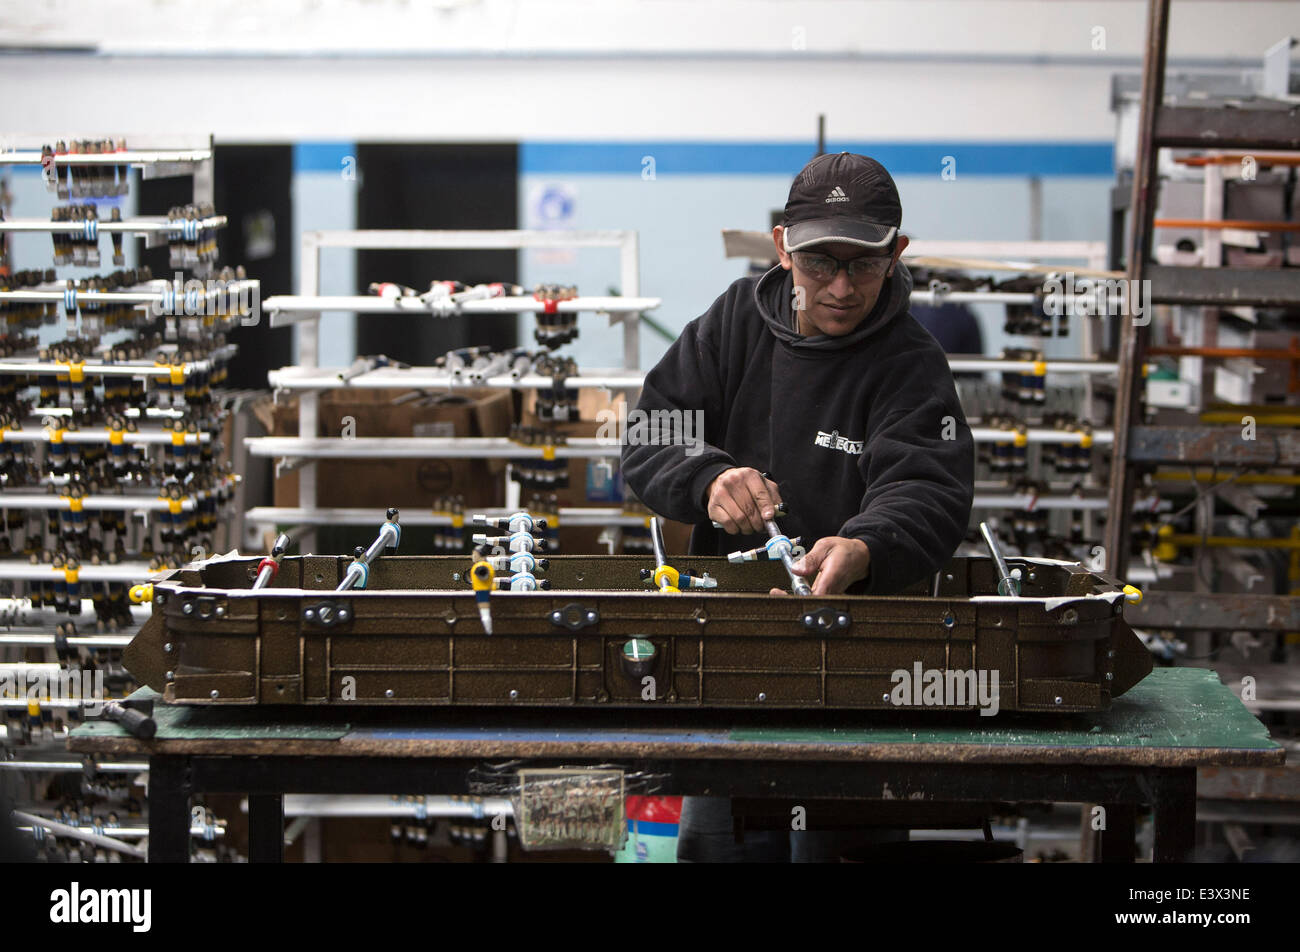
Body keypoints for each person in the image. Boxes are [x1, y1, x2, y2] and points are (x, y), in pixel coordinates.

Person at [620, 152, 976, 861]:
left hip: (858, 669)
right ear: (782, 247)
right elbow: (647, 435)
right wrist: (707, 478)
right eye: (820, 264)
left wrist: (868, 545)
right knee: (720, 847)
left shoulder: (911, 363)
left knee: (840, 851)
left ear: (896, 255)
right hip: (723, 659)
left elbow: (929, 488)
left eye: (864, 266)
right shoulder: (733, 327)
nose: (841, 288)